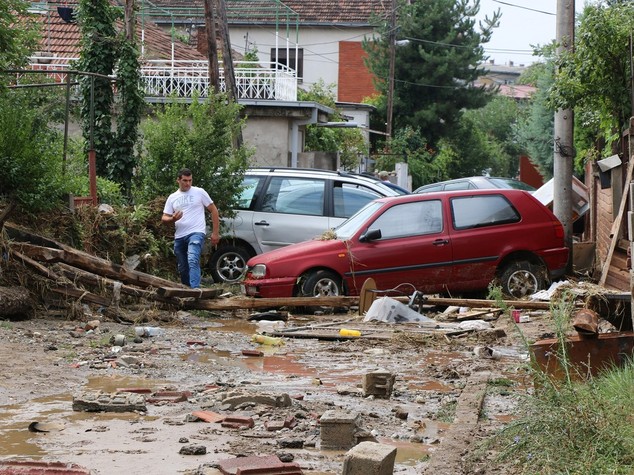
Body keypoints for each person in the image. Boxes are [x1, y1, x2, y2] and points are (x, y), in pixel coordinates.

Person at [162, 168, 220, 288]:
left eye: (190, 180)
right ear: (178, 180)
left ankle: (195, 290)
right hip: (180, 235)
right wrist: (172, 218)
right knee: (182, 266)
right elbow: (164, 218)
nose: (188, 183)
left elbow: (213, 210)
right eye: (184, 180)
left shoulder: (199, 192)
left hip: (196, 232)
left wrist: (215, 233)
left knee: (193, 259)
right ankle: (186, 290)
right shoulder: (172, 197)